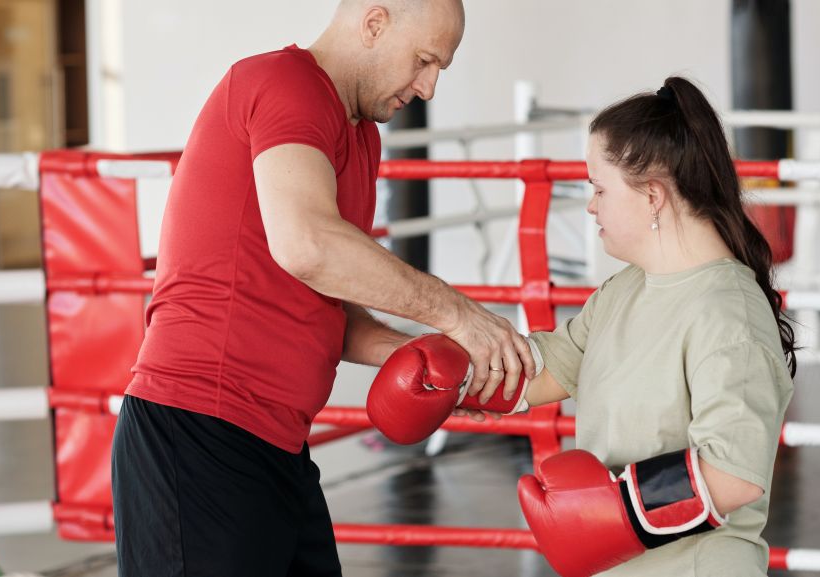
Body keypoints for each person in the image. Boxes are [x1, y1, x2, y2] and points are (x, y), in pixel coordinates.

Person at [110, 1, 538, 576]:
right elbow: (307, 245)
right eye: (423, 61)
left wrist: (431, 365)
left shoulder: (361, 137)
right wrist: (459, 316)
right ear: (374, 22)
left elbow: (322, 297)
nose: (429, 87)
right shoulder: (283, 83)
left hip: (277, 449)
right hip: (198, 435)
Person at [367, 76, 795, 576]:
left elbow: (734, 473)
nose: (591, 205)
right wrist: (454, 377)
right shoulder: (624, 290)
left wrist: (612, 515)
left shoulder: (728, 312)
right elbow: (544, 371)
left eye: (599, 188)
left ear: (652, 195)